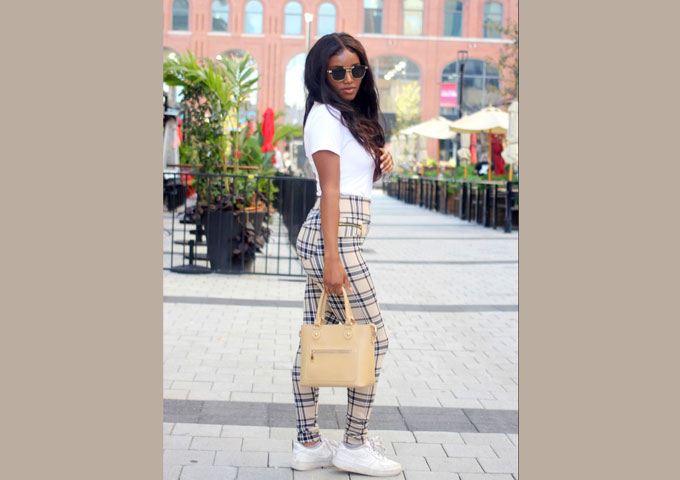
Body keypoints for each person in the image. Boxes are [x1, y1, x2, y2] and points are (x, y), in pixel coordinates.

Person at [290, 32, 402, 477]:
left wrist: (380, 160)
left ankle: (309, 444)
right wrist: (334, 258)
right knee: (374, 339)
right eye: (338, 71)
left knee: (315, 338)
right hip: (333, 239)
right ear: (322, 74)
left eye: (357, 69)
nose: (349, 78)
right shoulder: (323, 116)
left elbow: (354, 182)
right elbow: (331, 190)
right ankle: (354, 445)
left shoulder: (346, 115)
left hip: (334, 237)